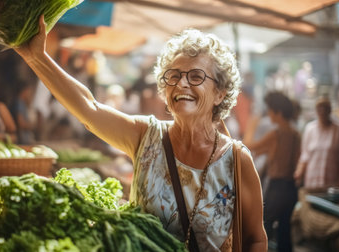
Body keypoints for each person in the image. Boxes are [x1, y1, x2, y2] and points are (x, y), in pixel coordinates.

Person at [15, 16, 267, 251]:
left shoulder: (236, 160)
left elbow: (255, 239)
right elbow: (89, 109)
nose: (181, 84)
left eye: (195, 76)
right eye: (174, 75)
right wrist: (37, 58)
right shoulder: (146, 137)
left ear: (220, 93)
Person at [244, 91, 300, 252]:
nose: (268, 114)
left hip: (276, 188)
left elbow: (247, 145)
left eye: (270, 110)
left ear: (278, 112)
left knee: (262, 228)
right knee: (284, 232)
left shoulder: (276, 134)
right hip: (291, 189)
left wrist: (252, 124)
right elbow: (292, 160)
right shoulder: (296, 134)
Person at [294, 97, 339, 189]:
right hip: (312, 181)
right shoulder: (309, 129)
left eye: (325, 108)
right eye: (319, 109)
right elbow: (305, 156)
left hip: (332, 182)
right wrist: (299, 173)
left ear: (330, 110)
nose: (322, 112)